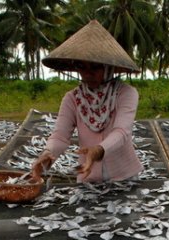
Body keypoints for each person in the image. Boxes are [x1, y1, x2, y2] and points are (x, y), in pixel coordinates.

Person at [31, 20, 143, 183]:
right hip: (87, 177)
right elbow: (60, 137)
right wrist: (48, 153)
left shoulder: (126, 93)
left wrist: (98, 151)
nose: (87, 74)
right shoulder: (72, 98)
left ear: (108, 68)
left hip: (125, 177)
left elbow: (122, 132)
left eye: (95, 67)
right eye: (82, 67)